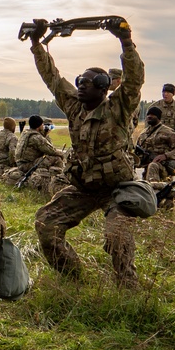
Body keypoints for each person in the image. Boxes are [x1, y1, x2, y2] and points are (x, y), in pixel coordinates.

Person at [25, 18, 143, 287]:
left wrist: (125, 40)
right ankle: (74, 279)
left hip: (118, 188)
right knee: (46, 224)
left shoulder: (118, 108)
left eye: (87, 82)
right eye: (79, 80)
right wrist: (36, 43)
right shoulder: (74, 106)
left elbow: (134, 80)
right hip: (83, 188)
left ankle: (128, 290)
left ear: (103, 88)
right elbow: (52, 78)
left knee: (116, 236)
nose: (80, 85)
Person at [8, 115, 65, 194]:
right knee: (56, 158)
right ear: (39, 126)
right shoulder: (36, 137)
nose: (43, 126)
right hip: (28, 165)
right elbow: (51, 151)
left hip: (21, 163)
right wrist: (63, 155)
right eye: (42, 124)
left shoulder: (26, 133)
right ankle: (60, 181)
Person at [136, 106, 175, 182]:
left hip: (163, 169)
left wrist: (165, 156)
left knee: (153, 165)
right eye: (148, 115)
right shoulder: (143, 134)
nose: (149, 117)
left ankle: (155, 189)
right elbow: (137, 151)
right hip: (148, 171)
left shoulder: (168, 132)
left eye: (152, 115)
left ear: (158, 117)